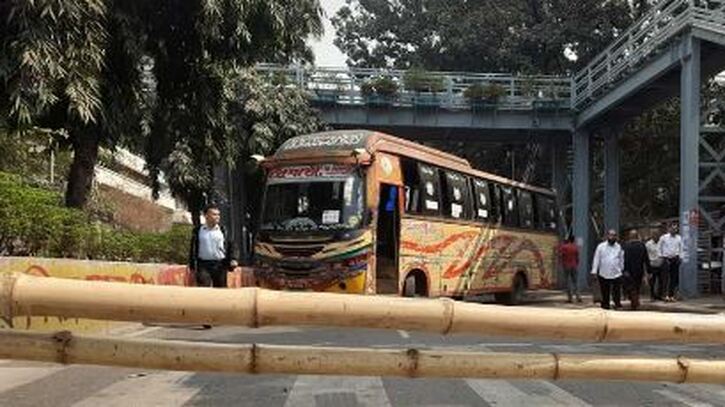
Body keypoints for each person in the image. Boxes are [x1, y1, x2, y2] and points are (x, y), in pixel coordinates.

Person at [591, 229, 624, 310]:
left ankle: (617, 304)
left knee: (616, 291)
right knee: (605, 292)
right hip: (604, 273)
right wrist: (594, 271)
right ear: (607, 236)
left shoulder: (618, 246)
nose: (612, 237)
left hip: (616, 273)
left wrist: (621, 268)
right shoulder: (601, 246)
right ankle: (605, 306)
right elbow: (596, 259)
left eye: (614, 235)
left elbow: (621, 259)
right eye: (610, 235)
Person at [622, 230, 650, 310]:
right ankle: (635, 300)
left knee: (631, 287)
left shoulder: (626, 246)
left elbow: (624, 259)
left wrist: (624, 269)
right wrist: (648, 270)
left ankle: (634, 301)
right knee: (637, 286)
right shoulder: (642, 245)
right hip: (639, 270)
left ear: (630, 236)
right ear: (637, 236)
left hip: (629, 270)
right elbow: (646, 259)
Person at [658, 223, 682, 302]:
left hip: (675, 258)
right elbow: (659, 247)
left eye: (676, 229)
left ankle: (671, 295)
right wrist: (661, 256)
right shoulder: (664, 237)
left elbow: (681, 248)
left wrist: (680, 257)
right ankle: (665, 295)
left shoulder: (679, 238)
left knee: (674, 278)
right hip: (666, 258)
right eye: (673, 228)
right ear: (669, 229)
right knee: (665, 278)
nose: (674, 230)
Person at [558, 235, 582, 303]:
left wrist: (561, 263)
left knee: (568, 282)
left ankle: (570, 298)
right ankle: (578, 297)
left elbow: (561, 255)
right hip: (574, 265)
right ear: (573, 240)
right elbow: (577, 257)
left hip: (566, 265)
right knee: (575, 282)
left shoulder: (564, 247)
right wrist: (577, 263)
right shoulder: (575, 247)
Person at [645, 229, 664, 301]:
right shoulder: (648, 244)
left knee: (661, 281)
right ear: (652, 236)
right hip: (652, 264)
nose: (656, 236)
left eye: (657, 234)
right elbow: (646, 255)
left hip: (660, 264)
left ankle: (659, 295)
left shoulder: (661, 243)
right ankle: (652, 295)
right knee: (652, 281)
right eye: (654, 234)